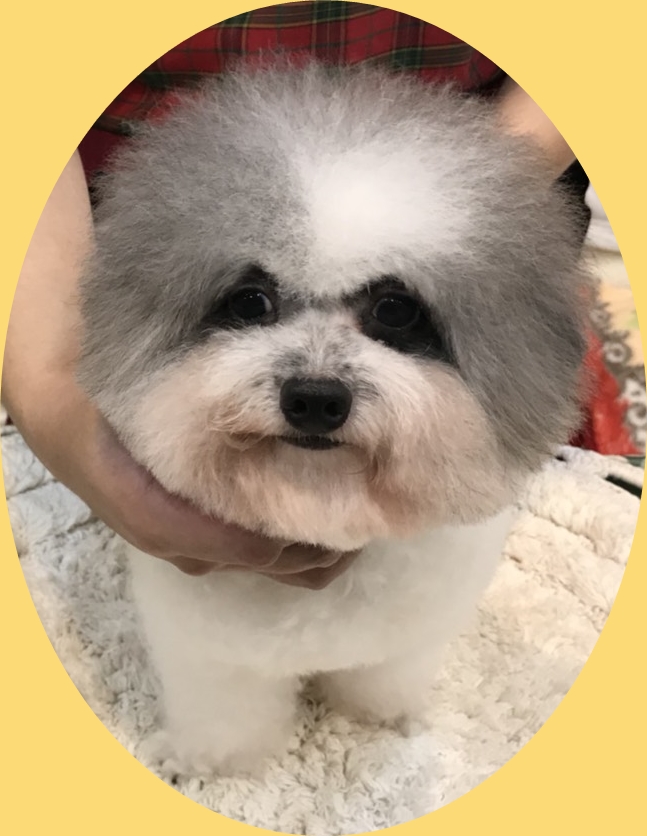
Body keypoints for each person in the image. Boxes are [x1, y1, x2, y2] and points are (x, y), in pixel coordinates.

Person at [1, 3, 576, 586]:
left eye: (392, 314)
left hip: (482, 176)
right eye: (254, 305)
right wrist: (50, 390)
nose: (316, 387)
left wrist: (489, 189)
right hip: (121, 193)